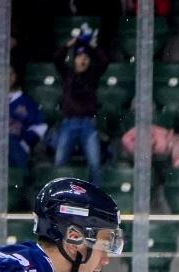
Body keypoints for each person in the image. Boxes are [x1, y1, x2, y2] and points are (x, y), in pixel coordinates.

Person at [53, 23, 109, 184]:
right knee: (59, 162)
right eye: (80, 57)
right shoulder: (67, 74)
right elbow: (57, 58)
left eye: (86, 58)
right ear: (75, 59)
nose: (83, 60)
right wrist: (71, 43)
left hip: (88, 124)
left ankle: (96, 200)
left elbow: (104, 61)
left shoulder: (93, 75)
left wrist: (93, 45)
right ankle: (57, 197)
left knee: (95, 164)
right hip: (69, 122)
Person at [0, 63, 47, 170]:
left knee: (9, 143)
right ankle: (25, 180)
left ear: (15, 76)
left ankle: (23, 179)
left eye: (10, 74)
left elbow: (40, 126)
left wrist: (24, 141)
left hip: (19, 146)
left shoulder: (27, 101)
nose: (7, 77)